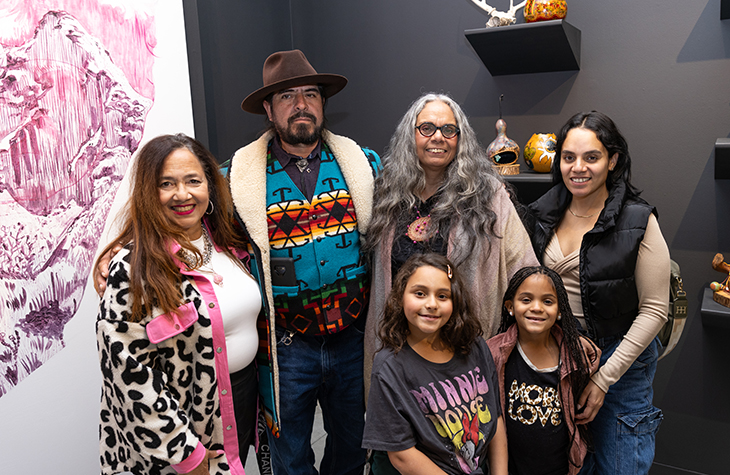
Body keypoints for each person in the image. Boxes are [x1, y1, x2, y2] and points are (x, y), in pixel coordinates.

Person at [223, 50, 381, 475]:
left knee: (352, 446)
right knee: (290, 455)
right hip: (288, 346)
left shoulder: (363, 166)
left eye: (310, 94)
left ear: (323, 103)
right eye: (287, 96)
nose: (301, 105)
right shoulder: (236, 180)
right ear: (269, 109)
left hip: (352, 336)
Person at [96, 134, 262, 475]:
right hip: (178, 438)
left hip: (235, 406)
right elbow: (129, 376)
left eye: (193, 181)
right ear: (147, 192)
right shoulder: (133, 268)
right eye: (166, 183)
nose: (182, 194)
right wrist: (186, 454)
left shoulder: (228, 242)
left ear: (209, 187)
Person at [527, 111, 670, 474]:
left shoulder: (638, 220)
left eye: (591, 157)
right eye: (569, 157)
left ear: (613, 160)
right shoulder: (540, 214)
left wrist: (604, 377)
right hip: (558, 357)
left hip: (619, 361)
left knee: (620, 464)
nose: (578, 168)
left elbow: (655, 310)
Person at [363, 93, 538, 381]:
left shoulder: (489, 196)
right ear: (411, 136)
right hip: (399, 354)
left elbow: (524, 270)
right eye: (427, 128)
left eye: (448, 130)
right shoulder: (388, 196)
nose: (438, 137)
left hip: (463, 356)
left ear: (460, 139)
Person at [363, 253, 508, 475]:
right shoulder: (389, 367)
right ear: (401, 296)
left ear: (456, 301)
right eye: (420, 293)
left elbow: (494, 417)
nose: (431, 304)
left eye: (443, 296)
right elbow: (402, 456)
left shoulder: (475, 347)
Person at [487, 266, 599, 475]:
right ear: (510, 306)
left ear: (559, 311)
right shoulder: (493, 353)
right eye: (526, 300)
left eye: (547, 301)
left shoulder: (574, 354)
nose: (537, 308)